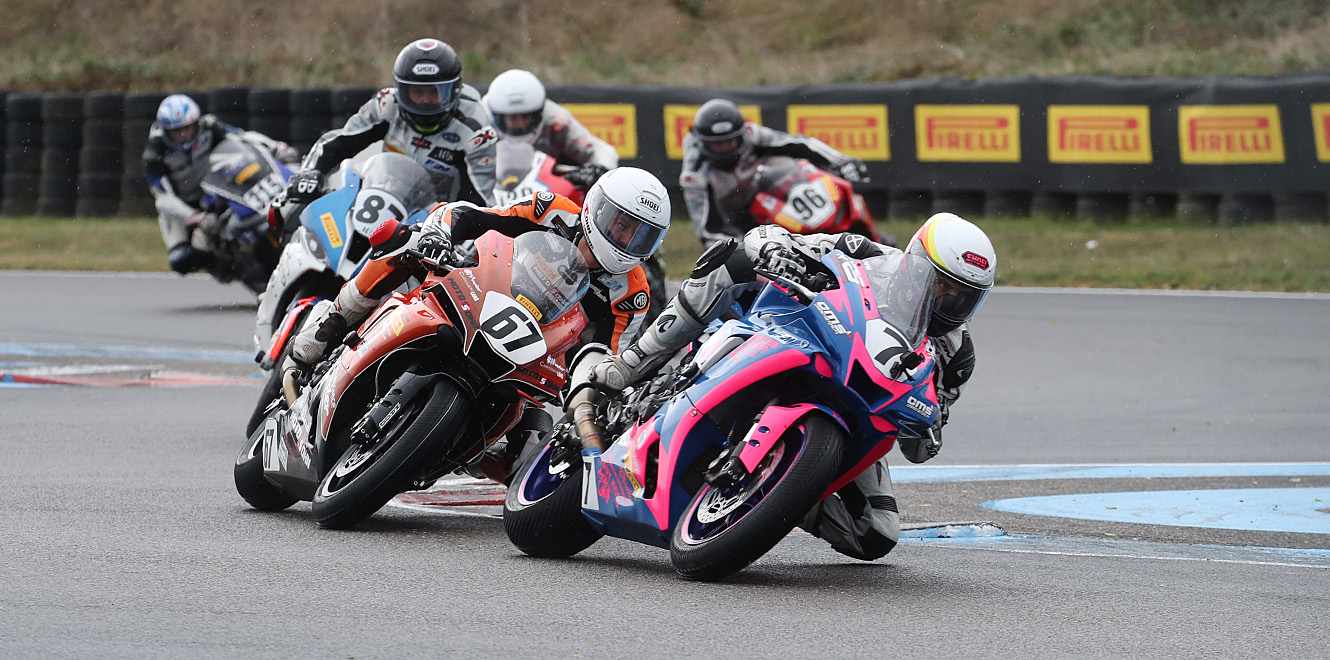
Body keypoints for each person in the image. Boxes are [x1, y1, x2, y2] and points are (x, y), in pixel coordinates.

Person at [566, 212, 995, 562]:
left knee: (875, 534)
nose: (948, 302)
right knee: (731, 260)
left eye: (964, 297)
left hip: (858, 406)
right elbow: (769, 237)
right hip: (796, 338)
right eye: (941, 285)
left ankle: (779, 489)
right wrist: (775, 250)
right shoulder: (864, 253)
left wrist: (927, 429)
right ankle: (632, 364)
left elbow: (921, 443)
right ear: (915, 262)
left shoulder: (956, 355)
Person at [284, 167, 672, 481]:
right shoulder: (552, 210)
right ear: (597, 209)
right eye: (622, 224)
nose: (627, 239)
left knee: (533, 450)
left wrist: (589, 384)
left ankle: (462, 453)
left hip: (532, 357)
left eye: (642, 235)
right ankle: (330, 324)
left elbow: (610, 356)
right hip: (472, 289)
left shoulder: (632, 291)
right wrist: (440, 232)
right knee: (402, 242)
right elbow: (474, 216)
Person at [284, 38, 499, 212]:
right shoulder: (386, 105)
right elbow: (339, 141)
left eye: (434, 93)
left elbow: (481, 196)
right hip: (384, 204)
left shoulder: (475, 129)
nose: (425, 101)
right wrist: (311, 172)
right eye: (417, 92)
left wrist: (461, 231)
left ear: (453, 90)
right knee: (293, 205)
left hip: (440, 220)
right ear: (401, 90)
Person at [680, 98, 870, 246]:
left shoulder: (751, 133)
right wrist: (743, 246)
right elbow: (707, 232)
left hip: (760, 187)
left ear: (741, 134)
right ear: (703, 142)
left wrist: (842, 161)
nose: (725, 148)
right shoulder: (693, 175)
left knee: (788, 163)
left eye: (729, 141)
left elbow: (799, 143)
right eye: (717, 144)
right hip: (730, 209)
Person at [144, 94, 299, 274]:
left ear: (196, 123)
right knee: (182, 259)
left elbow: (242, 137)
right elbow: (163, 198)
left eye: (187, 128)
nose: (183, 135)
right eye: (176, 132)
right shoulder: (155, 153)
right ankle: (224, 268)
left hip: (215, 188)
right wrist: (196, 216)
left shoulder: (209, 127)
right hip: (183, 205)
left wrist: (275, 147)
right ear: (165, 132)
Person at [482, 68, 619, 189]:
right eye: (512, 118)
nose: (520, 124)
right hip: (490, 183)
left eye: (525, 116)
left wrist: (598, 170)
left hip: (548, 188)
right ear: (495, 115)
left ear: (539, 112)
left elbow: (598, 149)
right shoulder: (480, 121)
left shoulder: (556, 120)